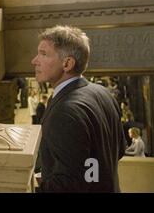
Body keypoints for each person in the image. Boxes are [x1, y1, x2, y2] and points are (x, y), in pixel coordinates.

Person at [31, 25, 126, 192]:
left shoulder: (65, 111)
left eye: (43, 54)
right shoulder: (103, 93)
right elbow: (118, 151)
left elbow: (68, 185)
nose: (34, 60)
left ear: (67, 63)